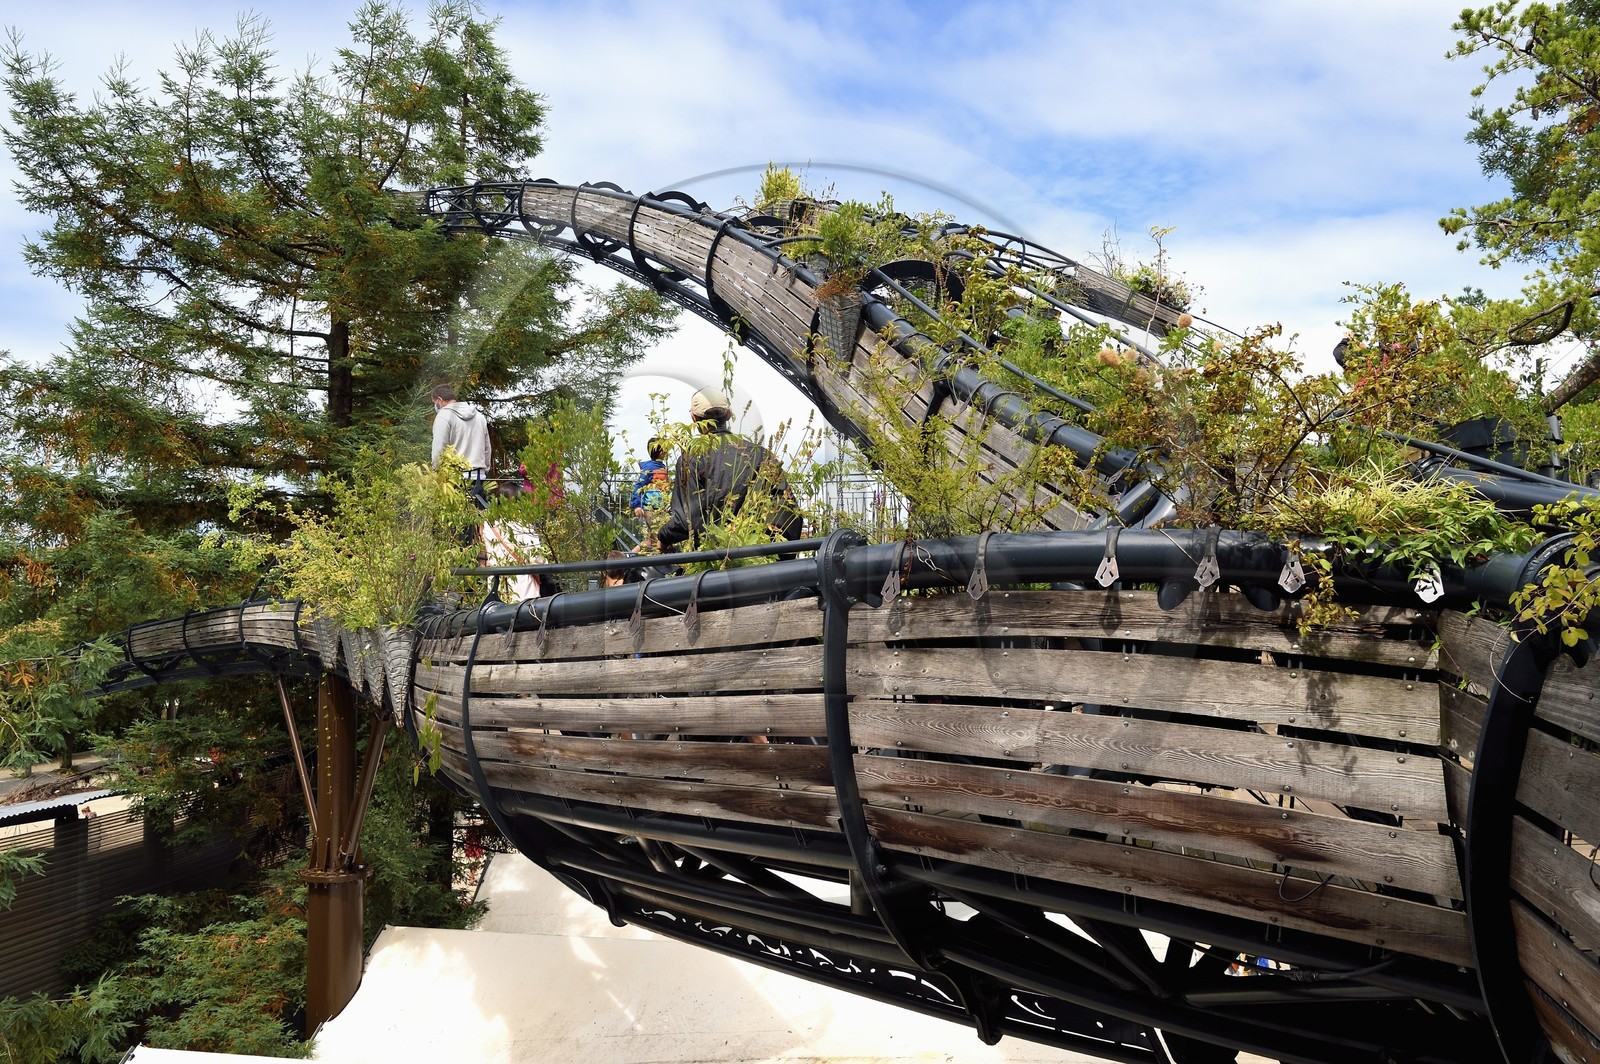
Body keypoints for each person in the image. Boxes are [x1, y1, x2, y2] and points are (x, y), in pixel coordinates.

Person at [657, 387, 803, 553]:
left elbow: (685, 520)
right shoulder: (761, 454)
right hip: (759, 559)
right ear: (729, 414)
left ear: (694, 418)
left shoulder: (691, 459)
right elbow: (788, 511)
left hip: (711, 561)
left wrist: (663, 537)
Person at [430, 384, 493, 510]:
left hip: (454, 479)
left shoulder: (443, 416)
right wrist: (484, 470)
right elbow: (487, 449)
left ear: (439, 400)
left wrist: (436, 472)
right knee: (477, 517)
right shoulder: (479, 417)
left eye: (434, 402)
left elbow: (439, 450)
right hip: (478, 478)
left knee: (454, 519)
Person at [630, 437, 671, 551]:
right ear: (661, 452)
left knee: (651, 541)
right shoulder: (650, 468)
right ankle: (660, 561)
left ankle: (627, 556)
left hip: (661, 508)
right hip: (652, 508)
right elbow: (639, 485)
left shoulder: (661, 466)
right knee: (659, 539)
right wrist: (637, 505)